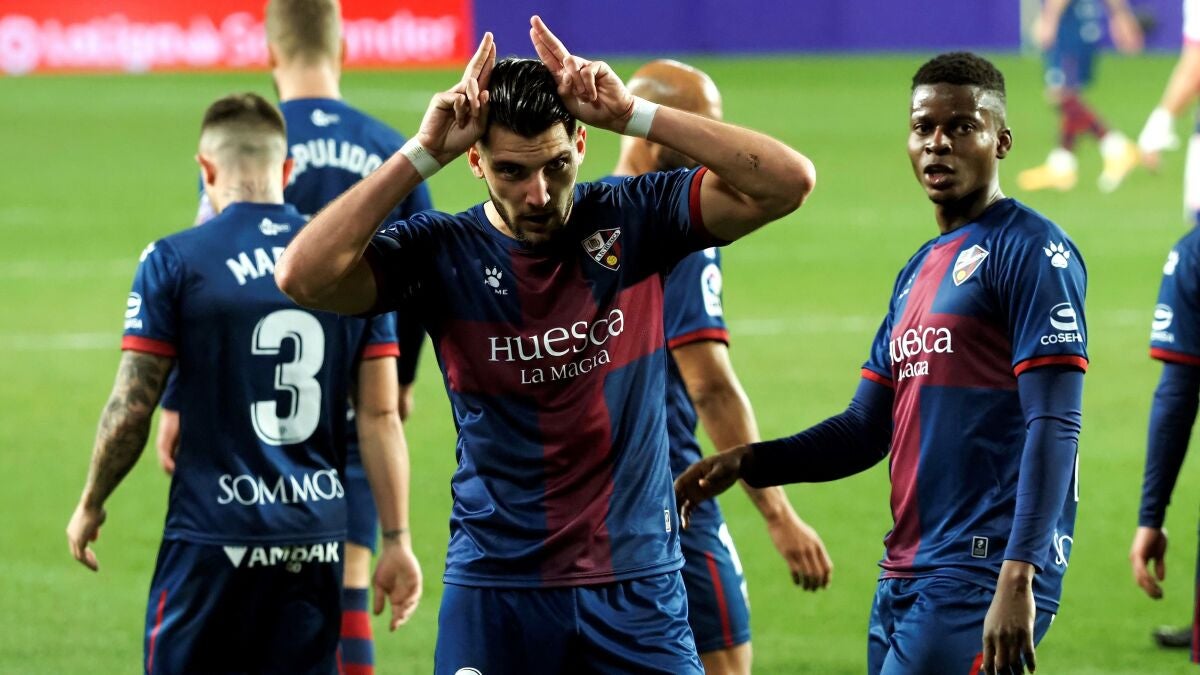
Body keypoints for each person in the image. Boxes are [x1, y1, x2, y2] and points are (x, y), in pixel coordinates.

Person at [275, 16, 815, 674]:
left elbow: (788, 181)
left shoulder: (635, 217)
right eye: (511, 171)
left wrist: (635, 115)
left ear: (582, 143)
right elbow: (302, 276)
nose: (538, 194)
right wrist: (422, 151)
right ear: (475, 161)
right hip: (496, 586)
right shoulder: (440, 252)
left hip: (637, 584)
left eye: (556, 166)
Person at [677, 52, 1088, 675]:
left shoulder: (1033, 252)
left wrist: (1019, 574)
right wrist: (749, 460)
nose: (938, 143)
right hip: (907, 568)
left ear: (1001, 141)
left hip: (981, 571)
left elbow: (1055, 423)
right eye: (924, 128)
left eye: (962, 127)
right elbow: (865, 429)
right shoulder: (918, 271)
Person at [65, 92, 421, 673]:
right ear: (288, 169)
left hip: (212, 540)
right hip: (315, 540)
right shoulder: (348, 266)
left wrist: (91, 502)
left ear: (205, 169)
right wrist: (398, 539)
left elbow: (131, 408)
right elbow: (380, 417)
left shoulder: (173, 260)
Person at [154, 2, 433, 670]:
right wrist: (400, 381)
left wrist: (174, 400)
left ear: (270, 53)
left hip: (250, 406)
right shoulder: (390, 152)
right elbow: (420, 281)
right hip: (360, 386)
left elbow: (201, 271)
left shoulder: (251, 143)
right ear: (344, 49)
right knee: (348, 579)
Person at [602, 58, 832, 675]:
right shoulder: (675, 226)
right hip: (669, 491)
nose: (715, 145)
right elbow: (710, 386)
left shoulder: (588, 213)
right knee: (725, 660)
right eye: (697, 126)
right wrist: (779, 514)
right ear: (651, 126)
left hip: (582, 499)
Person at [1017, 0, 1142, 193]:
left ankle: (1116, 147)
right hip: (1085, 20)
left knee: (1061, 95)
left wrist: (1049, 18)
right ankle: (1062, 165)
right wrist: (1120, 14)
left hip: (1070, 22)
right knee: (1068, 95)